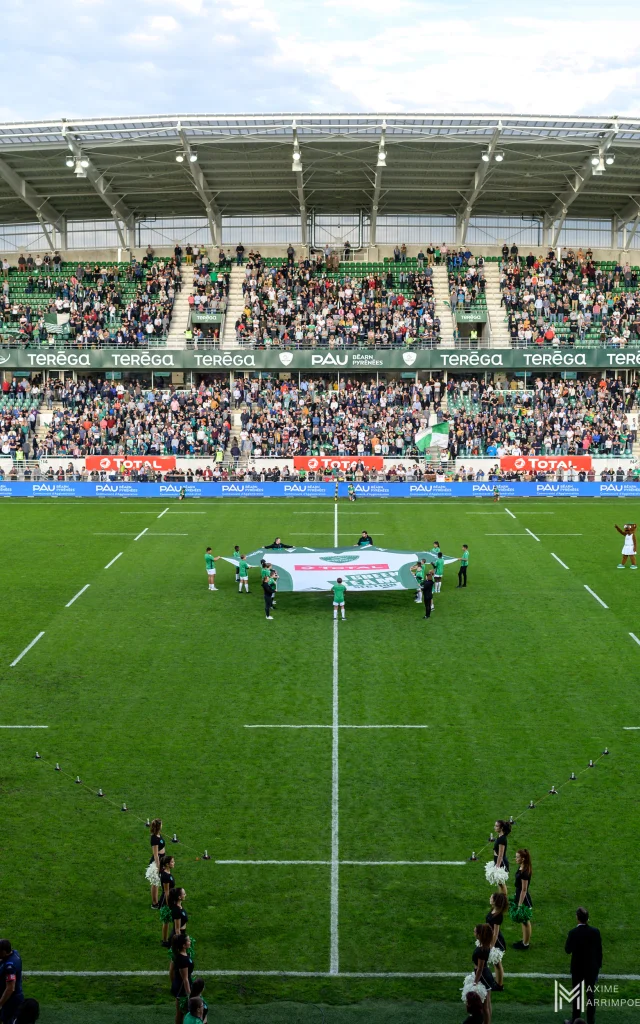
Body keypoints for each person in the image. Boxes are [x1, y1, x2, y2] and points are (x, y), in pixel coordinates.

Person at [564, 907, 602, 1024]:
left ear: (577, 918)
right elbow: (599, 951)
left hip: (577, 969)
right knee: (590, 995)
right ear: (587, 918)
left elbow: (567, 950)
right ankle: (591, 1021)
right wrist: (597, 967)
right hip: (591, 969)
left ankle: (575, 1020)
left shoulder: (573, 933)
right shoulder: (595, 932)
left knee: (577, 995)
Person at [510, 848, 533, 950]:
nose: (515, 858)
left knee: (525, 921)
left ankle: (526, 944)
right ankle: (524, 941)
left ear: (523, 859)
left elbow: (524, 890)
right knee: (523, 922)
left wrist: (519, 905)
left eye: (517, 857)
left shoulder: (525, 872)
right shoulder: (521, 867)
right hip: (519, 895)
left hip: (524, 899)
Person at [471, 924, 494, 1020]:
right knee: (488, 1003)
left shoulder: (481, 950)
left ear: (479, 935)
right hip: (486, 974)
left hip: (483, 977)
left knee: (485, 1007)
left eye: (475, 931)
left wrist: (475, 982)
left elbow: (480, 968)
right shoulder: (485, 945)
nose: (474, 933)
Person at [169, 933, 193, 1024]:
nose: (190, 941)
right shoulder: (183, 959)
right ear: (183, 945)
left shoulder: (182, 954)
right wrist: (189, 996)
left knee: (180, 1013)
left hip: (179, 985)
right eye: (188, 940)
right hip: (182, 988)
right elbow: (185, 979)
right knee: (183, 1013)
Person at [486, 892, 508, 991]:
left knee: (498, 964)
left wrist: (491, 946)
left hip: (496, 942)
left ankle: (500, 985)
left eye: (491, 897)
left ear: (495, 901)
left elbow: (495, 933)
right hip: (491, 939)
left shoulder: (498, 915)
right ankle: (497, 982)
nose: (490, 898)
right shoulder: (494, 910)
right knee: (496, 963)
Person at [0, 940, 23, 1024]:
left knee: (7, 1021)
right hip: (11, 998)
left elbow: (10, 988)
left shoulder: (10, 967)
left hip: (10, 1001)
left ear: (4, 952)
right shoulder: (14, 953)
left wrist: (0, 1004)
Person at [146, 818, 165, 909]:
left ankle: (157, 901)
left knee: (158, 882)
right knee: (155, 883)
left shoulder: (158, 835)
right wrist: (158, 867)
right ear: (159, 826)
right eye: (161, 824)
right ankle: (154, 903)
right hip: (157, 862)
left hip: (162, 860)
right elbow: (156, 854)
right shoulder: (154, 839)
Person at [159, 854, 176, 948]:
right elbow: (166, 892)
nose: (174, 863)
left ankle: (165, 939)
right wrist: (169, 904)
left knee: (168, 921)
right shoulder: (165, 876)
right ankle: (164, 940)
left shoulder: (167, 872)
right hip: (166, 900)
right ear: (167, 864)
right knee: (166, 921)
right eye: (172, 862)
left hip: (170, 898)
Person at [493, 820, 511, 895]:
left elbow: (501, 854)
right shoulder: (500, 837)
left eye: (497, 826)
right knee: (499, 882)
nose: (495, 827)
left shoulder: (502, 839)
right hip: (498, 861)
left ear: (501, 828)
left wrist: (497, 866)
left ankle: (504, 901)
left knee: (502, 883)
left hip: (501, 863)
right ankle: (501, 900)